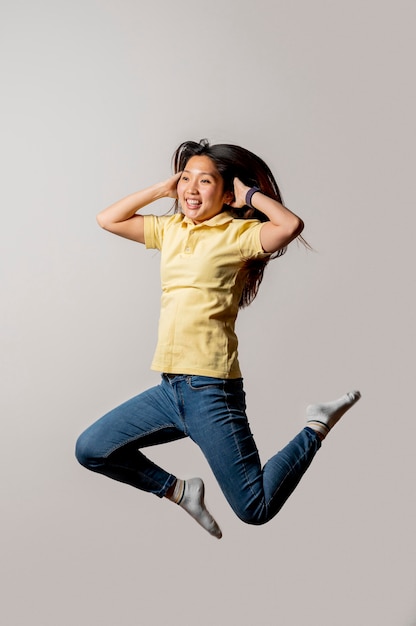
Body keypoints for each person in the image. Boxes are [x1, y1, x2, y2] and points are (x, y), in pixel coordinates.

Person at [75, 139, 361, 539]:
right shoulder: (170, 229)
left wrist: (252, 195)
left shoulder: (239, 234)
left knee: (254, 508)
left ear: (226, 194)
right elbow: (108, 218)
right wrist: (162, 189)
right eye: (186, 179)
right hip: (170, 388)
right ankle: (179, 491)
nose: (191, 188)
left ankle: (316, 424)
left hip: (211, 390)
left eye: (204, 181)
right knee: (91, 449)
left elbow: (290, 227)